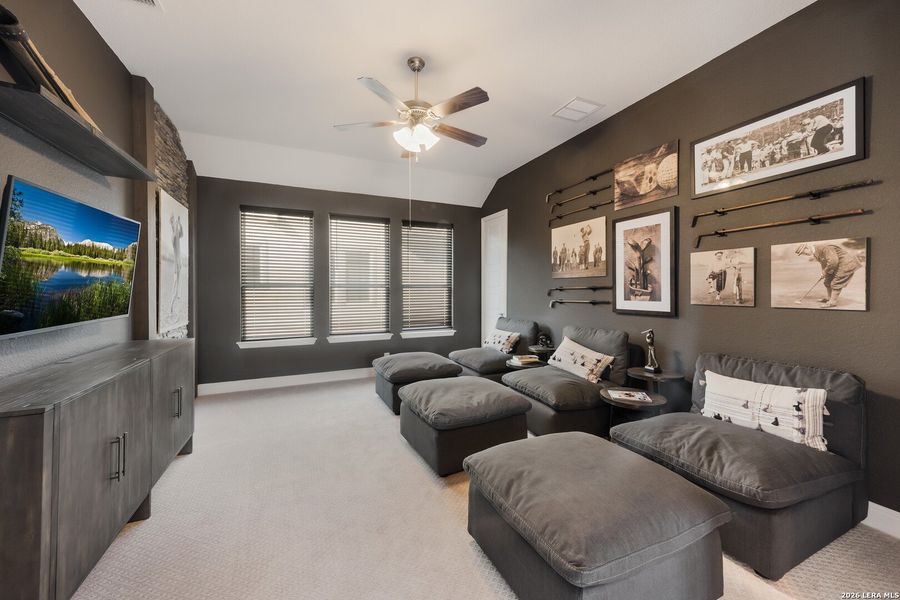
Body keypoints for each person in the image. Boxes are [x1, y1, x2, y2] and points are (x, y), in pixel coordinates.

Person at [795, 242, 861, 308]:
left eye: (804, 252)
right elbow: (824, 263)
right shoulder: (815, 252)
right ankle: (829, 298)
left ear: (807, 248)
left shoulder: (824, 248)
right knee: (827, 281)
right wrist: (824, 273)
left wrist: (825, 271)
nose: (805, 254)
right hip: (837, 264)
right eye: (803, 254)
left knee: (836, 282)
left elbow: (833, 261)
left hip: (846, 263)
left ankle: (832, 302)